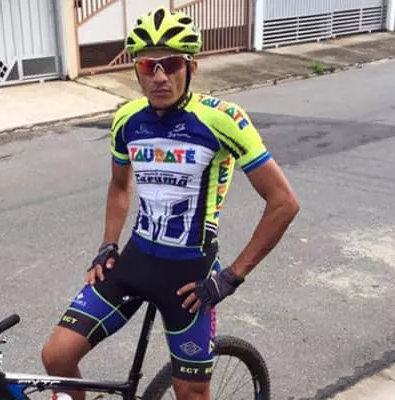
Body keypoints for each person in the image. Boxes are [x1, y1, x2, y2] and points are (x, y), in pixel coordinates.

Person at [41, 6, 299, 400]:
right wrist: (108, 245)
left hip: (190, 281)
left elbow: (283, 202)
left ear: (191, 67)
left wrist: (231, 277)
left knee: (191, 392)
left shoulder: (222, 119)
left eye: (172, 64)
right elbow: (120, 187)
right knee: (57, 357)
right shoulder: (127, 119)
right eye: (149, 66)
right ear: (137, 72)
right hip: (135, 263)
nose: (160, 76)